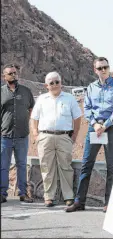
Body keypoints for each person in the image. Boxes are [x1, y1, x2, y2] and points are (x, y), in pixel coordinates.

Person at [65, 57, 113, 213]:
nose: (103, 70)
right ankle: (79, 201)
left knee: (112, 166)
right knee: (86, 164)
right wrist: (95, 124)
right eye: (100, 68)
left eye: (105, 67)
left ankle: (109, 202)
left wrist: (105, 125)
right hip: (94, 128)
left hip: (111, 128)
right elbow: (88, 107)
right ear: (95, 70)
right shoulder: (91, 87)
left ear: (109, 68)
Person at [30, 72, 82, 207]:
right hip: (45, 137)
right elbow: (34, 118)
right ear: (46, 85)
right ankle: (49, 196)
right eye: (51, 83)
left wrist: (74, 136)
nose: (54, 85)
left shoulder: (69, 98)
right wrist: (36, 135)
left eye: (56, 82)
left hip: (64, 137)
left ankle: (68, 196)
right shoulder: (41, 99)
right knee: (47, 167)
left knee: (66, 166)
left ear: (61, 83)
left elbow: (77, 118)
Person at [1, 64, 35, 203]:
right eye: (10, 73)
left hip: (22, 135)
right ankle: (2, 194)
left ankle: (23, 193)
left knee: (22, 164)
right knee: (3, 166)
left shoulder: (26, 91)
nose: (13, 75)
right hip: (5, 136)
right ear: (4, 76)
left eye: (15, 73)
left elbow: (32, 109)